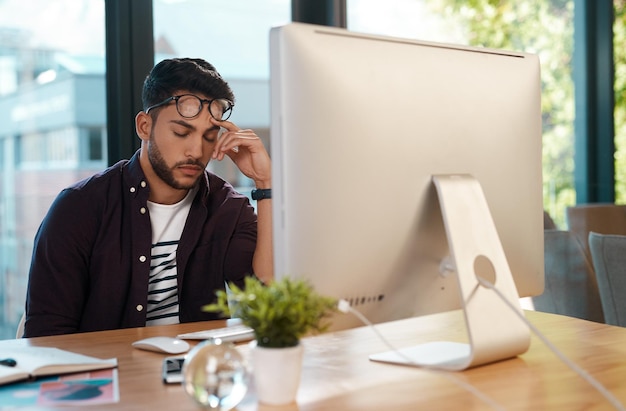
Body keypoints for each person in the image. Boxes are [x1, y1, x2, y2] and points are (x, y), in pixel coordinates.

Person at [23, 58, 273, 337]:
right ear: (144, 126)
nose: (195, 150)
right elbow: (46, 335)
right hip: (108, 375)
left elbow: (270, 302)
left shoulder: (226, 208)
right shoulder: (79, 207)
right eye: (181, 132)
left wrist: (265, 183)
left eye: (209, 136)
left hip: (197, 373)